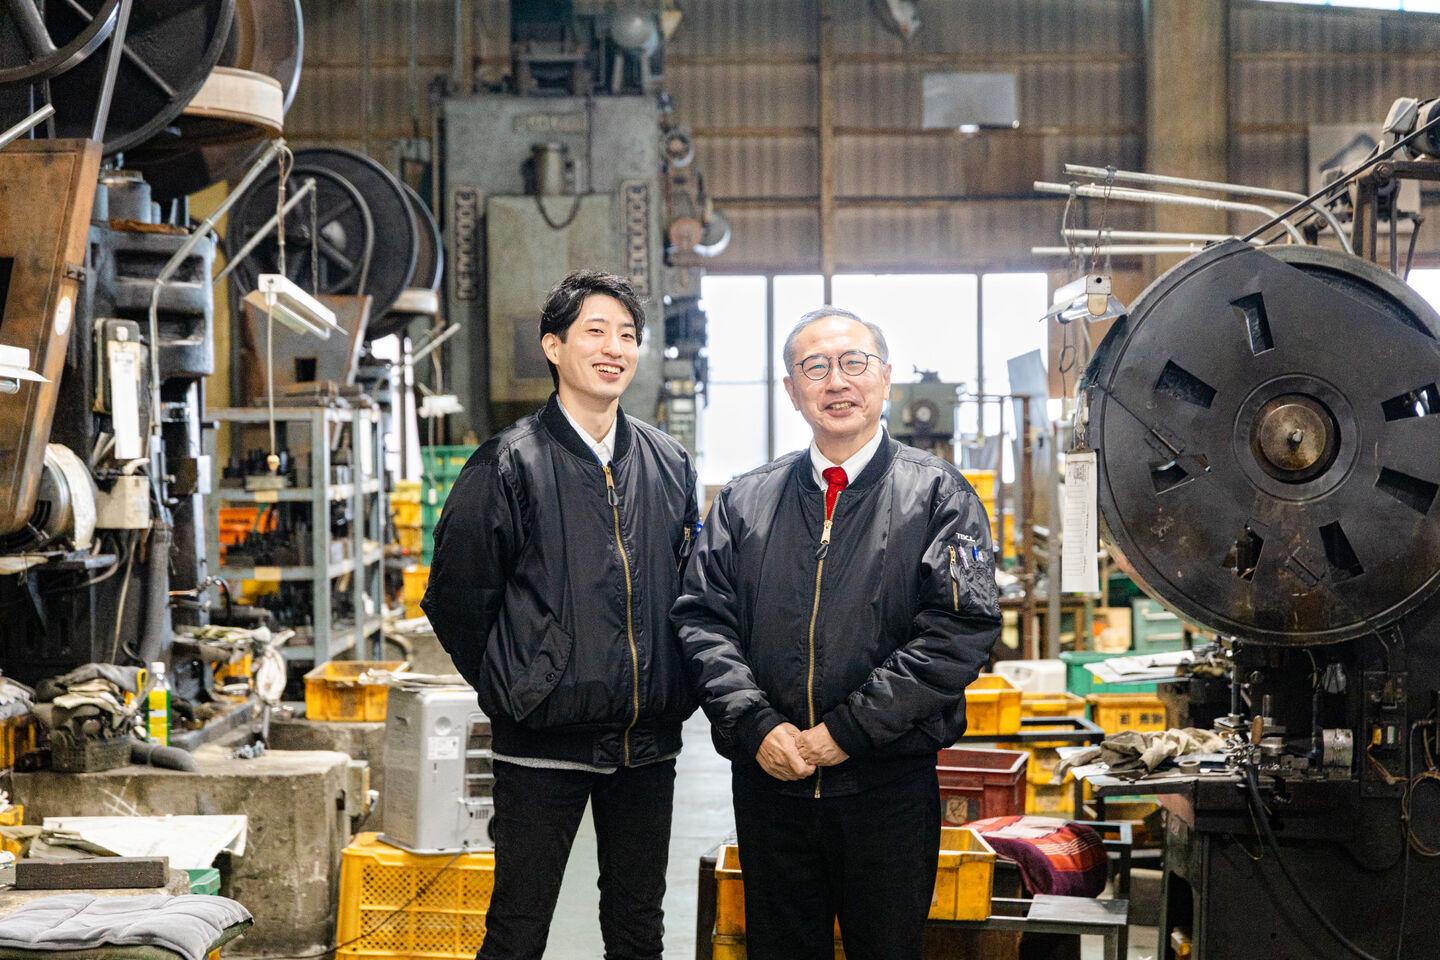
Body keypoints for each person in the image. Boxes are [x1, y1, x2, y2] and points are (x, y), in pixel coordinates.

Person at [672, 307, 1001, 960]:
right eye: (815, 367)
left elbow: (959, 629)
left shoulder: (942, 497)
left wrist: (849, 731)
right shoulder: (744, 501)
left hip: (887, 791)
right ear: (792, 390)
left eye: (854, 362)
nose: (837, 381)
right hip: (772, 787)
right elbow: (702, 619)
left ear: (885, 377)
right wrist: (755, 723)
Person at [422, 269, 699, 960]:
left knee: (639, 927)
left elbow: (690, 589)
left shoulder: (669, 462)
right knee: (518, 928)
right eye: (595, 331)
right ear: (554, 346)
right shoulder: (506, 463)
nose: (614, 348)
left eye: (627, 335)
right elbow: (456, 599)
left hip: (647, 740)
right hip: (541, 742)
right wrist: (523, 681)